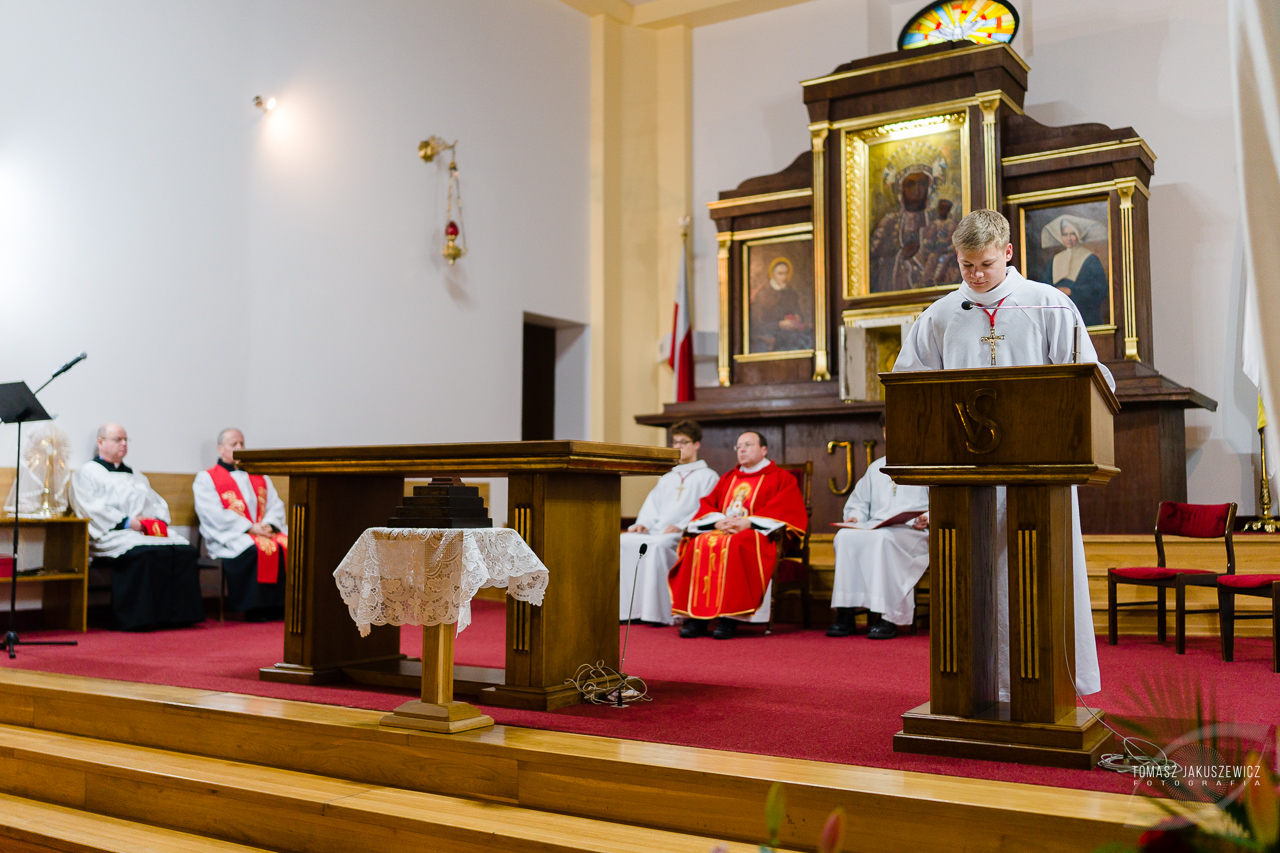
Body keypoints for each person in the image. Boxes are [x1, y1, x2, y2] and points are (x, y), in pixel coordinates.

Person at [893, 208, 1114, 697]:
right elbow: (910, 387)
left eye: (986, 264)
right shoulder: (940, 314)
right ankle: (976, 690)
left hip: (1039, 470)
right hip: (963, 474)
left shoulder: (1049, 304)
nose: (976, 275)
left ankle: (1048, 687)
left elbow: (1092, 380)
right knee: (972, 580)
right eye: (966, 265)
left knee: (1038, 575)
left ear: (1008, 252)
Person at [668, 430, 807, 639]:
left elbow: (786, 509)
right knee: (698, 543)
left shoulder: (781, 478)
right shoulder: (728, 478)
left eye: (748, 445)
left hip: (758, 534)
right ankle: (697, 618)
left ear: (763, 450)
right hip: (724, 530)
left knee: (736, 544)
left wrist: (749, 522)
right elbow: (708, 504)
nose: (742, 450)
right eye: (739, 446)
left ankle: (730, 618)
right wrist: (718, 521)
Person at [70, 423, 204, 631]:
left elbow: (157, 503)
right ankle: (139, 618)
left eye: (126, 440)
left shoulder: (136, 475)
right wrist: (128, 522)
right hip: (113, 533)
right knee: (145, 554)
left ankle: (179, 616)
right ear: (100, 442)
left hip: (143, 532)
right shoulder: (87, 473)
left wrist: (155, 520)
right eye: (118, 439)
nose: (124, 444)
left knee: (183, 551)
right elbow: (90, 507)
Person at [827, 414, 930, 639]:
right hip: (879, 528)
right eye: (886, 431)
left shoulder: (925, 463)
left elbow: (941, 502)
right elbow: (858, 503)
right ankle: (846, 614)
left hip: (914, 532)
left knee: (884, 540)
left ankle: (889, 617)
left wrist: (926, 517)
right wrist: (854, 517)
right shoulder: (877, 468)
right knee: (844, 537)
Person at [618, 421, 718, 626]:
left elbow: (707, 509)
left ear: (696, 444)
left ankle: (659, 613)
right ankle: (632, 610)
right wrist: (643, 522)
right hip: (657, 530)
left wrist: (682, 525)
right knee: (624, 541)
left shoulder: (708, 477)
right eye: (675, 442)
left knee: (659, 546)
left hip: (684, 532)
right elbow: (653, 505)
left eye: (684, 442)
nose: (678, 446)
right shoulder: (668, 477)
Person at [192, 428, 288, 621]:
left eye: (242, 443)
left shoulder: (259, 476)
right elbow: (213, 513)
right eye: (233, 444)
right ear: (220, 449)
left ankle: (281, 607)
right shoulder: (207, 478)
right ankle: (256, 609)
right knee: (253, 550)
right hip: (232, 534)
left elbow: (275, 505)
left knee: (287, 546)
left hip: (262, 531)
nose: (239, 447)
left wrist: (269, 525)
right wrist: (249, 527)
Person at [868, 141, 960, 293]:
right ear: (900, 189)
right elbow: (875, 267)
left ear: (930, 187)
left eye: (922, 183)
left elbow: (955, 258)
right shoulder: (888, 225)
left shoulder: (941, 221)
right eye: (910, 184)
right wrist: (901, 256)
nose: (917, 190)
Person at [1040, 214, 1108, 327]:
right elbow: (1043, 286)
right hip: (1060, 316)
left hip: (1086, 316)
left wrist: (1072, 291)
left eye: (1072, 234)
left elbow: (1099, 289)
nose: (1069, 238)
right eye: (1065, 234)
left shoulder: (1091, 259)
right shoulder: (1055, 260)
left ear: (1078, 234)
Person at [749, 258, 812, 352]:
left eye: (786, 273)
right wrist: (779, 325)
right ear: (773, 275)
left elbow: (799, 313)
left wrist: (797, 317)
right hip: (772, 334)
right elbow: (757, 324)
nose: (784, 277)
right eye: (780, 274)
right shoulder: (763, 295)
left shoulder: (791, 293)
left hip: (792, 332)